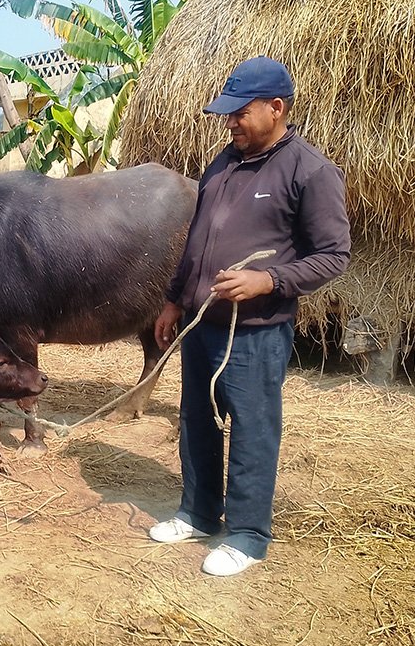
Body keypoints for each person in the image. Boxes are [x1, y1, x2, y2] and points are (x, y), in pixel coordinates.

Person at [149, 56, 351, 575]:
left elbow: (334, 255)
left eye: (240, 113)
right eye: (227, 114)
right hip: (202, 324)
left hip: (256, 332)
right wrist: (175, 298)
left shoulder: (311, 171)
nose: (231, 123)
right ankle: (198, 512)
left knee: (252, 428)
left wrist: (270, 280)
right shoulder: (223, 162)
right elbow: (196, 242)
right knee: (196, 421)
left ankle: (247, 534)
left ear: (276, 108)